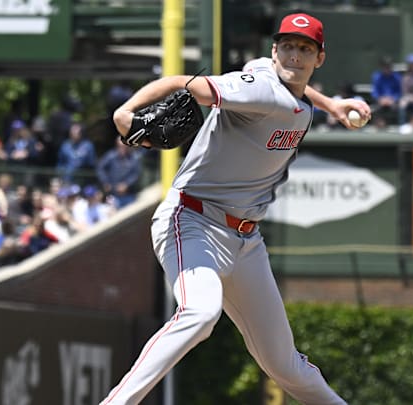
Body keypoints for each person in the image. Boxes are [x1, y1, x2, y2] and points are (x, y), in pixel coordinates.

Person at [103, 12, 370, 405]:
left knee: (285, 365)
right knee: (200, 312)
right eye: (288, 47)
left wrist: (331, 104)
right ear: (274, 50)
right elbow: (183, 84)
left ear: (319, 58)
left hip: (245, 242)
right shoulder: (260, 87)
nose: (295, 56)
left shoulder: (284, 87)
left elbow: (295, 90)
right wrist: (125, 111)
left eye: (305, 49)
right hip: (192, 220)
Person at [96, 136, 146, 208]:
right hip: (113, 194)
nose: (122, 148)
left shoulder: (134, 157)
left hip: (129, 194)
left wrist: (126, 184)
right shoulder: (111, 156)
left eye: (124, 146)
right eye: (119, 146)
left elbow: (137, 174)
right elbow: (100, 168)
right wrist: (106, 182)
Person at [370, 55, 401, 128]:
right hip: (380, 102)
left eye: (389, 66)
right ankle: (378, 126)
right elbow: (375, 92)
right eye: (385, 66)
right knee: (374, 109)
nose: (387, 68)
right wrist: (380, 99)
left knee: (401, 108)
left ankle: (399, 128)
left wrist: (393, 99)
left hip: (393, 102)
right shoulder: (376, 76)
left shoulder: (397, 77)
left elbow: (399, 92)